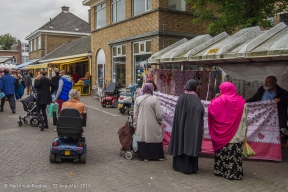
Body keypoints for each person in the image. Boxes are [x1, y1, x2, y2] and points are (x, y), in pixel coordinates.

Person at [208, 82, 247, 180]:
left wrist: (215, 99)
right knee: (234, 153)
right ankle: (233, 173)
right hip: (235, 132)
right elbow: (244, 117)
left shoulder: (218, 100)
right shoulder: (241, 101)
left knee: (222, 152)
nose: (220, 91)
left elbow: (211, 111)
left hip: (221, 135)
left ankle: (220, 170)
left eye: (221, 89)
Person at [169, 79, 204, 174]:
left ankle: (178, 166)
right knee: (189, 143)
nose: (198, 87)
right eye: (197, 86)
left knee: (181, 142)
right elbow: (199, 109)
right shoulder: (195, 98)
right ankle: (188, 167)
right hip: (190, 128)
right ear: (193, 86)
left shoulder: (182, 97)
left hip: (181, 126)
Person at [133, 83, 167, 161]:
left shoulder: (138, 99)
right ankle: (156, 156)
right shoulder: (155, 99)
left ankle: (144, 156)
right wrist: (160, 122)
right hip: (153, 123)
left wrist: (135, 125)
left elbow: (135, 114)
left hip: (141, 124)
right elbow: (158, 114)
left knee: (143, 138)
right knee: (154, 138)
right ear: (152, 89)